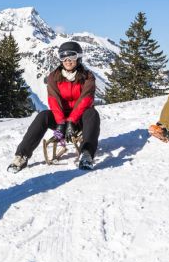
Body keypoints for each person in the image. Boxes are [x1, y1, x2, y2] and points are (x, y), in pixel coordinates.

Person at [8, 41, 100, 172]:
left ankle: (86, 154)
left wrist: (72, 121)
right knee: (43, 116)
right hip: (61, 119)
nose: (67, 61)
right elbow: (53, 100)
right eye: (63, 57)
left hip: (80, 118)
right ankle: (21, 156)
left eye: (71, 57)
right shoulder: (54, 76)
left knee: (92, 114)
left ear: (78, 57)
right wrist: (61, 123)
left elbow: (86, 98)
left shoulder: (87, 76)